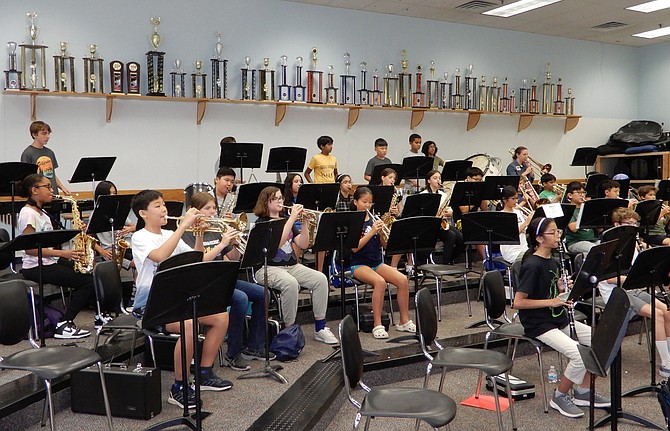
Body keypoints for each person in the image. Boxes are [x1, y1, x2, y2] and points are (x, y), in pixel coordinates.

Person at [131, 189, 233, 409]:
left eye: (163, 205)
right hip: (150, 301)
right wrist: (183, 227)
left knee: (221, 317)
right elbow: (160, 257)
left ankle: (204, 373)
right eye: (157, 206)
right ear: (143, 214)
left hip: (178, 295)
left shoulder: (170, 233)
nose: (164, 209)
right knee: (189, 324)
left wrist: (206, 237)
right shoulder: (139, 237)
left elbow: (199, 259)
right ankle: (179, 386)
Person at [514, 217, 610, 418]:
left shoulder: (555, 261)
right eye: (553, 232)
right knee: (578, 355)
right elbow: (518, 302)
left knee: (599, 341)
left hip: (557, 317)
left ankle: (583, 391)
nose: (558, 236)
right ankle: (559, 395)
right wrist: (552, 301)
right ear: (539, 238)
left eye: (558, 231)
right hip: (538, 323)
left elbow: (549, 291)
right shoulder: (532, 265)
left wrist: (559, 288)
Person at [182, 192, 269, 371]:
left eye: (214, 208)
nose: (212, 212)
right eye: (207, 208)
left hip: (223, 279)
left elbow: (235, 258)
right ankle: (233, 353)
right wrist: (221, 244)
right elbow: (199, 261)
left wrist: (234, 242)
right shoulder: (188, 234)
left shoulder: (218, 230)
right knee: (240, 299)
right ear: (195, 211)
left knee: (263, 293)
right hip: (203, 284)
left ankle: (253, 347)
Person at [253, 186, 338, 344]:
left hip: (291, 266)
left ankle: (320, 327)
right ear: (266, 202)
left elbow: (303, 244)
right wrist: (292, 218)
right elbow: (276, 245)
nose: (280, 201)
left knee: (320, 278)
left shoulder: (287, 219)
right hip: (267, 267)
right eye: (276, 199)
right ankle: (289, 331)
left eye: (281, 198)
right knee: (290, 284)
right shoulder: (262, 223)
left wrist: (305, 222)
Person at [18, 174, 97, 338]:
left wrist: (77, 229)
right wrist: (63, 253)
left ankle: (99, 315)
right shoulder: (28, 214)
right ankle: (64, 324)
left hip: (49, 260)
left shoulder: (42, 212)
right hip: (35, 266)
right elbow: (29, 249)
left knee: (89, 274)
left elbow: (50, 238)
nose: (52, 190)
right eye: (47, 186)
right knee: (86, 283)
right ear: (34, 190)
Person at [598, 208, 670, 378]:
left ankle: (668, 355)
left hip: (632, 288)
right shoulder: (607, 247)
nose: (633, 227)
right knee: (657, 314)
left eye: (634, 223)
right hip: (616, 294)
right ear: (617, 225)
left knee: (667, 311)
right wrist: (633, 277)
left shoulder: (632, 244)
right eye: (628, 223)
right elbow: (609, 279)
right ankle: (665, 364)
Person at [349, 187, 415, 339]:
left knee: (402, 280)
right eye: (364, 202)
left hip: (376, 262)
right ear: (355, 202)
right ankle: (377, 324)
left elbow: (385, 246)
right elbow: (354, 248)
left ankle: (404, 321)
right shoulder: (353, 221)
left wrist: (383, 234)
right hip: (358, 264)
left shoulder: (374, 219)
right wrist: (372, 231)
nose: (368, 205)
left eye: (370, 202)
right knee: (380, 282)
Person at [421, 170, 463, 264]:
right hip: (430, 226)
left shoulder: (443, 195)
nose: (438, 180)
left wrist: (449, 212)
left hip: (442, 223)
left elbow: (449, 210)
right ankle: (446, 263)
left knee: (462, 238)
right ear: (428, 181)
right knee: (451, 235)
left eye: (439, 178)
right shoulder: (423, 195)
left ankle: (450, 259)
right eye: (435, 178)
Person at [92, 180, 136, 269]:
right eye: (109, 194)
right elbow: (88, 238)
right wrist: (102, 251)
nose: (112, 196)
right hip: (108, 251)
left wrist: (128, 229)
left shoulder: (118, 210)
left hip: (121, 247)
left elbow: (134, 226)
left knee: (140, 259)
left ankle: (136, 281)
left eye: (114, 193)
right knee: (135, 263)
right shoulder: (96, 214)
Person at [20, 121, 71, 195]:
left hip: (53, 193)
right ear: (34, 135)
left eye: (48, 133)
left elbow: (52, 174)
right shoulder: (27, 153)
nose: (47, 136)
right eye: (44, 133)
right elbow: (27, 179)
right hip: (39, 195)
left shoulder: (50, 152)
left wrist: (62, 187)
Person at [564, 181, 598, 255]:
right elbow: (573, 228)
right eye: (579, 193)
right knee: (594, 249)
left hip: (592, 240)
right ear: (570, 195)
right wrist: (584, 211)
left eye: (583, 193)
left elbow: (599, 229)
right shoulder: (568, 210)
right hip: (575, 242)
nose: (582, 195)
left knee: (608, 247)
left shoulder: (588, 209)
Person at [499, 185, 530, 264]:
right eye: (513, 199)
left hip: (524, 248)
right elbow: (512, 235)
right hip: (512, 252)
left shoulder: (518, 212)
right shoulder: (502, 216)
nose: (516, 201)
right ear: (505, 200)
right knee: (533, 259)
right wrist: (526, 223)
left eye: (516, 198)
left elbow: (525, 233)